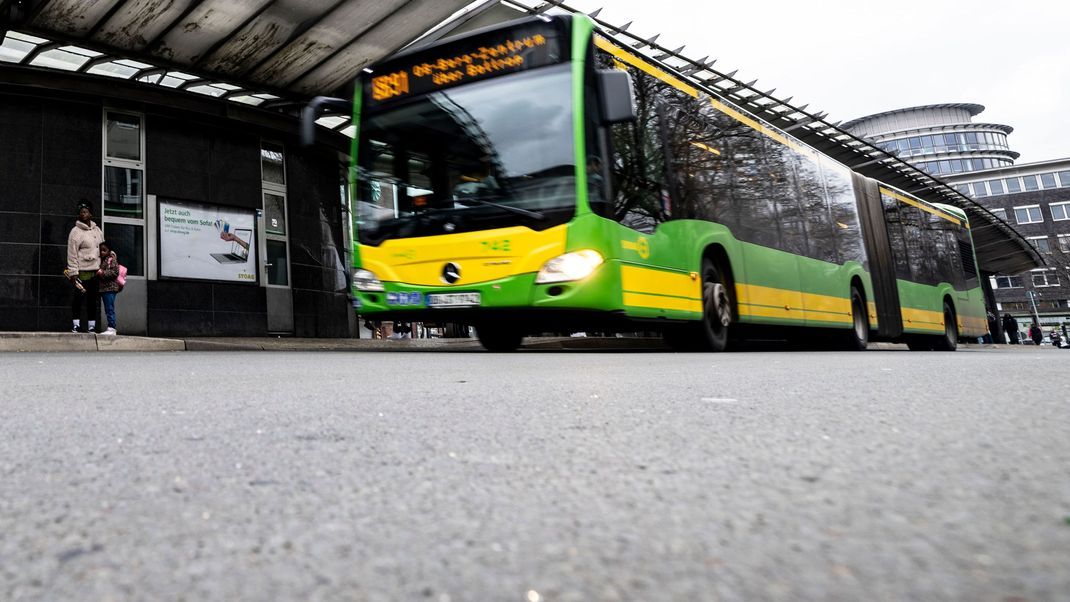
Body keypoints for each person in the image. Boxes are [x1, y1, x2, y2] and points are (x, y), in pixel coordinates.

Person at [66, 201, 105, 333]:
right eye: (81, 211)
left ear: (91, 214)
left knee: (92, 301)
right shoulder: (75, 232)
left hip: (95, 272)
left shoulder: (97, 230)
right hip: (81, 272)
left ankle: (91, 326)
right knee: (78, 299)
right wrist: (73, 272)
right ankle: (76, 325)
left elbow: (103, 248)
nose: (83, 213)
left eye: (86, 211)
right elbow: (72, 253)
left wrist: (109, 257)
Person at [96, 242, 120, 335]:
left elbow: (115, 272)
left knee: (109, 308)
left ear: (109, 251)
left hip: (110, 288)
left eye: (104, 250)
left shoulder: (111, 259)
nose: (102, 252)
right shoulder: (102, 260)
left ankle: (112, 328)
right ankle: (111, 327)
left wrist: (102, 273)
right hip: (104, 288)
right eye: (101, 250)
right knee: (108, 308)